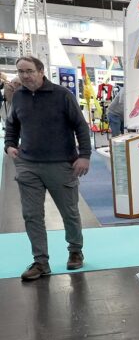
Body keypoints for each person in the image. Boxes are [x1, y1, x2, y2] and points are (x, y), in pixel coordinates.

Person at [4, 56, 92, 281]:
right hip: (28, 165)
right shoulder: (18, 97)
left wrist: (84, 156)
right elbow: (12, 124)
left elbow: (81, 126)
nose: (25, 75)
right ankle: (40, 262)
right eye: (21, 71)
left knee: (69, 212)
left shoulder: (62, 95)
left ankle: (75, 250)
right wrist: (9, 145)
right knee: (31, 215)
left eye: (29, 71)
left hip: (61, 164)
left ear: (41, 71)